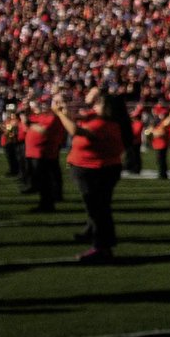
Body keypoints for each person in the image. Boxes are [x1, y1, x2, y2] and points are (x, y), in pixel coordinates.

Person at [52, 87, 124, 264]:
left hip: (96, 170)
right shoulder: (100, 119)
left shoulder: (103, 124)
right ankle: (101, 240)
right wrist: (64, 109)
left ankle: (102, 247)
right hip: (94, 168)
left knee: (98, 210)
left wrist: (60, 114)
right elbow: (78, 118)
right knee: (98, 209)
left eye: (100, 104)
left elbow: (75, 131)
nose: (95, 106)